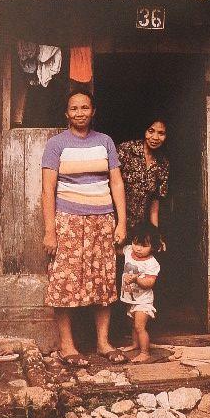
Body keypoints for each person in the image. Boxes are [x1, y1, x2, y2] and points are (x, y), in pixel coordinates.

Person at [41, 89, 128, 367]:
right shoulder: (56, 145)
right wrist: (50, 231)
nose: (80, 113)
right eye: (74, 108)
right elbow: (47, 190)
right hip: (68, 222)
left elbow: (116, 183)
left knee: (103, 281)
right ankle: (67, 346)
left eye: (85, 108)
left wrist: (121, 222)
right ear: (67, 113)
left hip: (102, 222)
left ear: (93, 111)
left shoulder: (105, 142)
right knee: (64, 281)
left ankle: (103, 343)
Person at [119, 221, 164, 362]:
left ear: (153, 247)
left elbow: (150, 283)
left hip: (143, 301)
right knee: (132, 324)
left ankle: (145, 352)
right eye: (136, 243)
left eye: (144, 245)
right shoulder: (128, 251)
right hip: (131, 299)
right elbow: (115, 250)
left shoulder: (152, 263)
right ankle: (135, 344)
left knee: (140, 326)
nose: (138, 248)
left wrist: (136, 280)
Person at [117, 115, 170, 233]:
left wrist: (154, 233)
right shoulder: (125, 150)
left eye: (161, 133)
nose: (155, 137)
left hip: (139, 227)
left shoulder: (163, 163)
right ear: (144, 131)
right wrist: (120, 223)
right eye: (151, 131)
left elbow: (155, 200)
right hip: (116, 220)